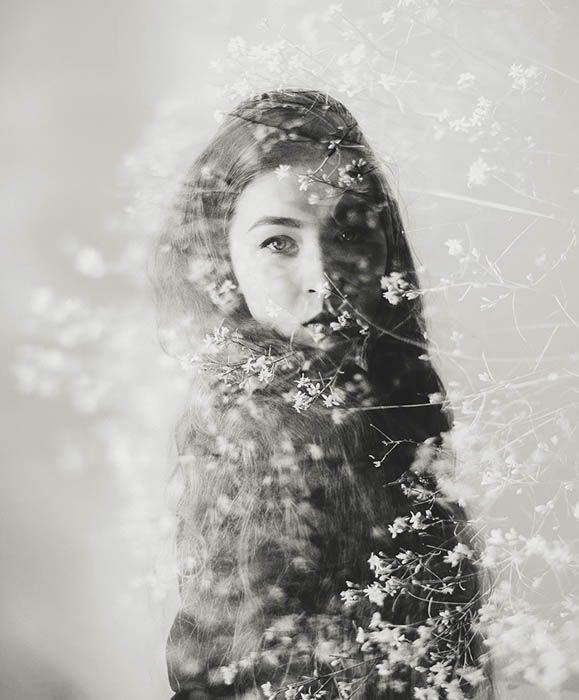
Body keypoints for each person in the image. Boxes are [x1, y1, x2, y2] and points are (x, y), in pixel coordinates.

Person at [154, 89, 491, 699]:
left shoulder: (390, 401)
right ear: (221, 260)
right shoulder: (253, 435)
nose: (325, 278)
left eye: (349, 231)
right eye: (279, 242)